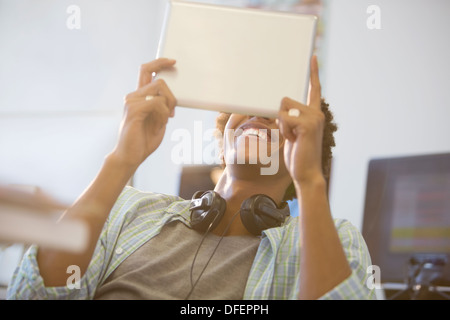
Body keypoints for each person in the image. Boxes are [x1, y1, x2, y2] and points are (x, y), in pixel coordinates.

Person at [7, 56, 376, 300]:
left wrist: (311, 181)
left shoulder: (334, 238)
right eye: (249, 105)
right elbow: (34, 294)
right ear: (221, 142)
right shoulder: (133, 209)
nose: (259, 114)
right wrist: (122, 158)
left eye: (281, 115)